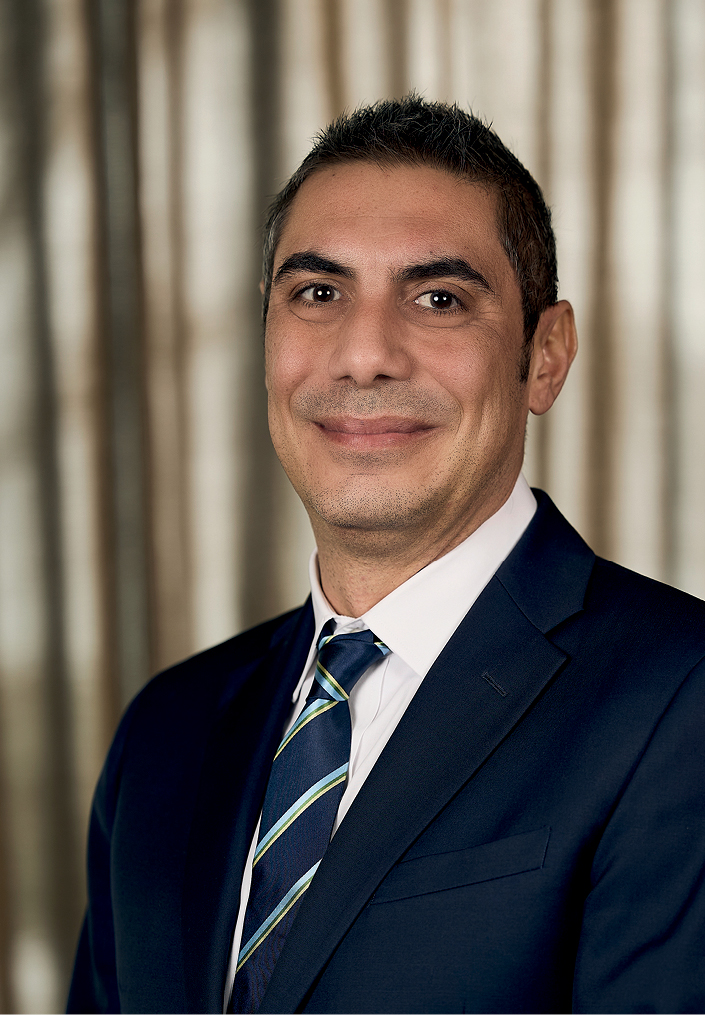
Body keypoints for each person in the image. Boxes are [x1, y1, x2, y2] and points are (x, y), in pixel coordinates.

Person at [67, 96, 705, 1015]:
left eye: (438, 298)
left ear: (545, 356)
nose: (363, 354)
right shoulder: (165, 732)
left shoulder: (677, 699)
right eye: (318, 294)